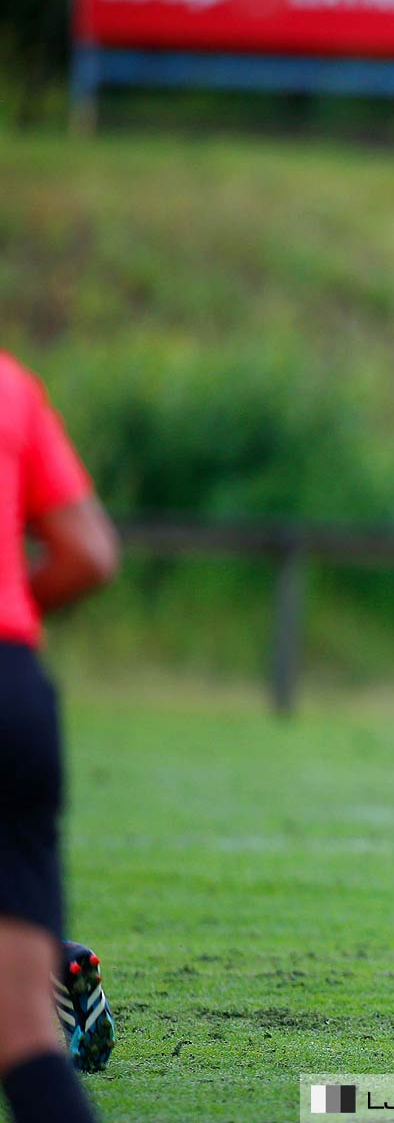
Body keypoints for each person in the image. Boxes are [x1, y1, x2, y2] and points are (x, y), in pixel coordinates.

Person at [1, 352, 117, 1121]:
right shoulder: (11, 385)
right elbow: (89, 553)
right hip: (11, 688)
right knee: (26, 1045)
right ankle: (50, 963)